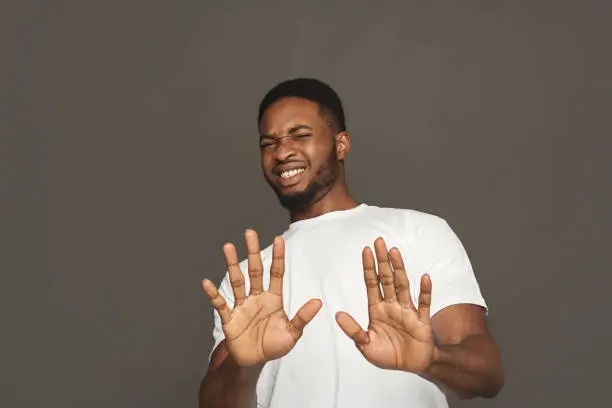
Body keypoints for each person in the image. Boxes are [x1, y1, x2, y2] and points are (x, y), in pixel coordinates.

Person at [198, 78, 504, 408]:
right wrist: (244, 366)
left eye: (300, 135)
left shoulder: (418, 232)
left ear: (341, 144)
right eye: (268, 143)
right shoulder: (249, 281)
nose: (282, 152)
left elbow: (487, 375)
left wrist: (432, 359)